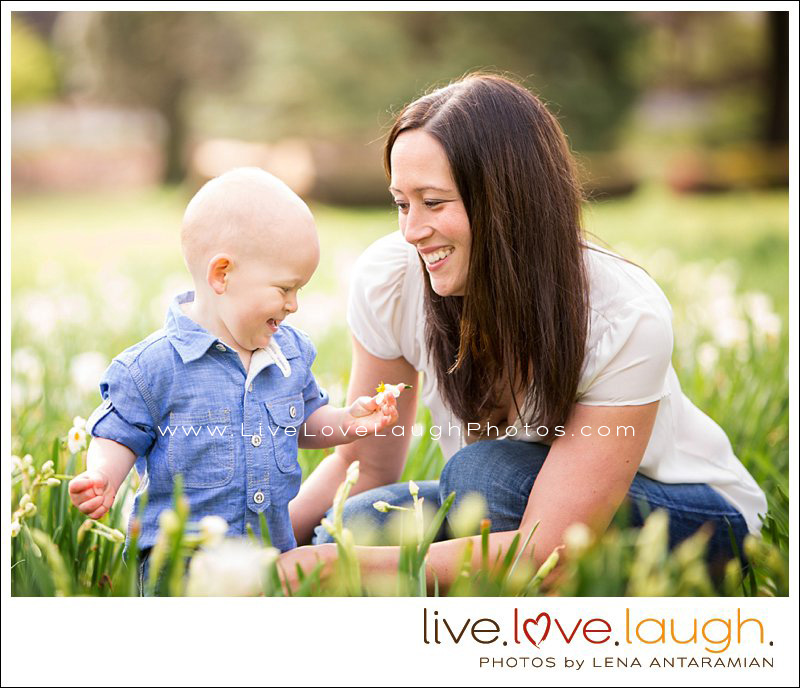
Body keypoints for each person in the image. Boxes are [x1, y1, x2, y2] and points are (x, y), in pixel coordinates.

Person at [279, 73, 768, 591]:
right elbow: (362, 463)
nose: (411, 231)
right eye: (403, 203)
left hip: (702, 518)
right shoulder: (390, 279)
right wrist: (260, 550)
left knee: (485, 476)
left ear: (508, 201)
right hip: (512, 509)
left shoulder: (621, 314)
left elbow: (549, 553)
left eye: (435, 202)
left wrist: (332, 568)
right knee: (358, 522)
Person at [67, 167, 403, 593]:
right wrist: (103, 477)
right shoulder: (153, 366)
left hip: (269, 556)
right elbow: (119, 433)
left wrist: (347, 422)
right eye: (285, 288)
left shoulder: (290, 354)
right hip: (182, 565)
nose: (294, 304)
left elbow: (305, 421)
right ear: (222, 274)